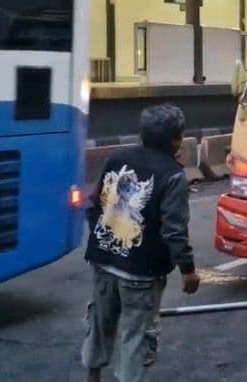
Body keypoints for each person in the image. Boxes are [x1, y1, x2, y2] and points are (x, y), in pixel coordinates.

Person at [81, 104, 200, 382]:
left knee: (99, 323)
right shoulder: (172, 175)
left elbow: (95, 204)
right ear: (176, 140)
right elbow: (174, 230)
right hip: (141, 274)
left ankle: (93, 376)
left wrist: (102, 241)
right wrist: (188, 270)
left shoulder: (117, 158)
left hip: (103, 261)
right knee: (136, 336)